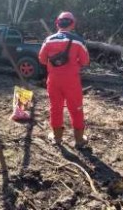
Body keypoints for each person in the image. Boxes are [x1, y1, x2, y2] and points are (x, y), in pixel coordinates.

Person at [38, 11, 90, 148]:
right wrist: (74, 64)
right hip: (72, 81)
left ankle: (57, 138)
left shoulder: (48, 40)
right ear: (72, 24)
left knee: (55, 108)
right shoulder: (78, 41)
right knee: (76, 108)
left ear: (57, 23)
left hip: (53, 80)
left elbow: (42, 59)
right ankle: (79, 140)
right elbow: (85, 62)